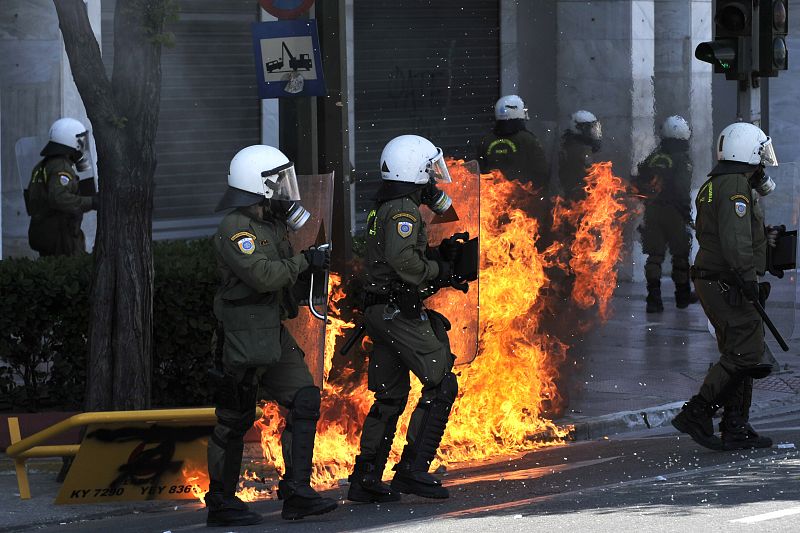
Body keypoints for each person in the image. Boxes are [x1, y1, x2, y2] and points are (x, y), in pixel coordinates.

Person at [205, 144, 337, 526]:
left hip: (272, 333)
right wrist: (303, 261)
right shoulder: (235, 228)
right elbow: (262, 275)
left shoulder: (270, 223)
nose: (285, 189)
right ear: (257, 185)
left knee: (305, 399)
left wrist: (307, 265)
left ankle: (297, 493)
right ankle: (221, 502)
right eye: (278, 182)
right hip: (242, 338)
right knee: (234, 419)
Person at [347, 135, 464, 503]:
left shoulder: (390, 204)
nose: (433, 177)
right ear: (414, 170)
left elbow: (394, 256)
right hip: (397, 313)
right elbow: (404, 263)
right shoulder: (402, 210)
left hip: (383, 310)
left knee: (391, 395)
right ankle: (413, 470)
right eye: (429, 170)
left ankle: (365, 478)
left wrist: (434, 253)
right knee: (441, 381)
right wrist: (438, 269)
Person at [672, 122, 778, 451]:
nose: (762, 163)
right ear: (746, 151)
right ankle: (697, 412)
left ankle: (736, 425)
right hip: (727, 281)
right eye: (760, 155)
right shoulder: (734, 185)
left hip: (718, 278)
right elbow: (733, 241)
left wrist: (765, 242)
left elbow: (731, 234)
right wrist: (748, 278)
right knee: (744, 351)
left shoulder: (716, 183)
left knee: (746, 352)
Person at [633, 115, 697, 312]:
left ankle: (654, 298)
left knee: (654, 256)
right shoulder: (682, 159)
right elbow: (681, 188)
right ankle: (682, 296)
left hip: (652, 212)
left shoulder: (655, 156)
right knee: (680, 255)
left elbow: (640, 176)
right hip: (674, 212)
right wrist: (686, 213)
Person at [25, 117, 97, 256]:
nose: (82, 146)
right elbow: (59, 198)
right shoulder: (61, 166)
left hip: (45, 231)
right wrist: (92, 201)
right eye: (80, 141)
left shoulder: (42, 165)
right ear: (71, 141)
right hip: (60, 236)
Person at [476, 95, 548, 184]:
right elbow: (542, 172)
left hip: (492, 194)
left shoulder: (486, 140)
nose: (527, 117)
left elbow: (478, 173)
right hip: (522, 195)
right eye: (524, 111)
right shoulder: (528, 140)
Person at [558, 110, 602, 203]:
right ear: (578, 128)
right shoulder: (581, 150)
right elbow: (587, 177)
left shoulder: (570, 144)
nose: (592, 132)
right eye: (589, 129)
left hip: (572, 195)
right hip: (580, 199)